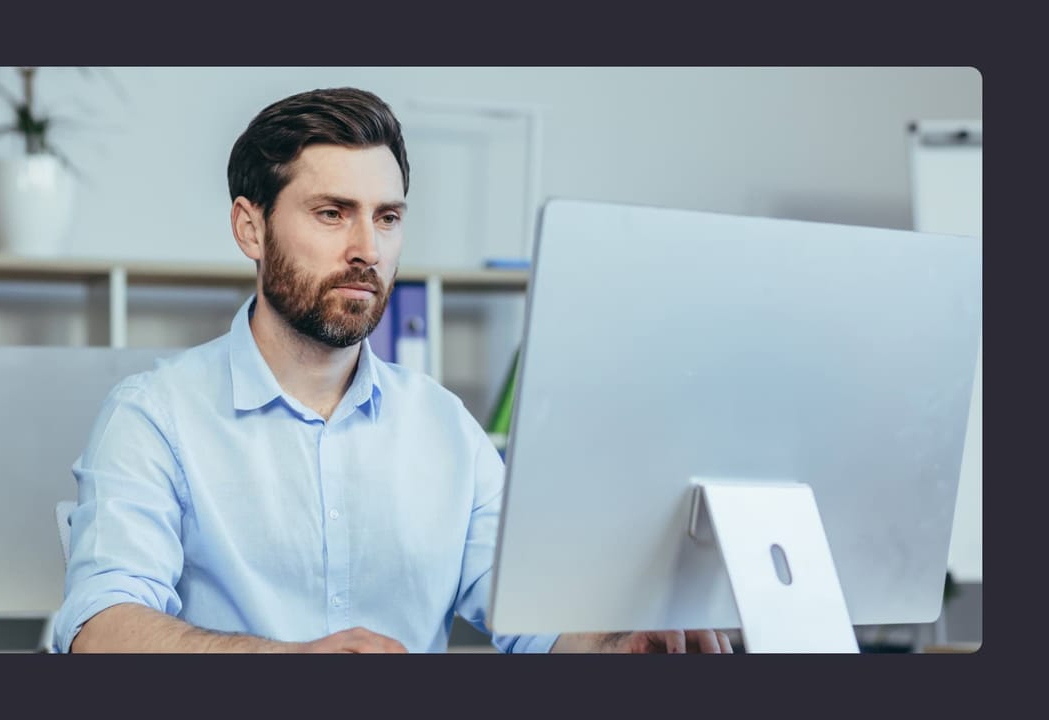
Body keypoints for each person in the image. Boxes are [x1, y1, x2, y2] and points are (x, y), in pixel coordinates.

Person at [51, 87, 732, 654]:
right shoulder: (153, 416)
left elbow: (531, 615)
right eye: (331, 214)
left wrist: (618, 644)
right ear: (250, 228)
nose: (366, 250)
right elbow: (99, 626)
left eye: (387, 217)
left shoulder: (443, 427)